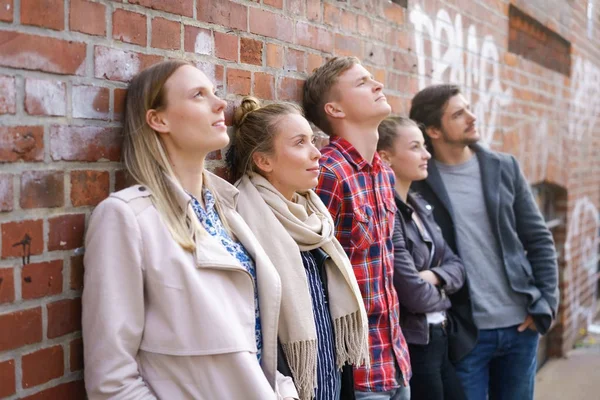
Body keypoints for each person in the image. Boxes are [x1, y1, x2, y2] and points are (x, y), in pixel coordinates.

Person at [82, 60, 298, 400]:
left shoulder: (228, 210)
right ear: (158, 119)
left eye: (214, 92)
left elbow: (255, 338)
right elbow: (112, 381)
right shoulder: (126, 218)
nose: (220, 104)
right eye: (198, 94)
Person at [409, 84, 559, 400]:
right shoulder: (419, 182)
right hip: (465, 334)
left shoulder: (503, 167)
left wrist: (546, 301)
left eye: (469, 109)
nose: (472, 117)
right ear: (434, 130)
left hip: (520, 325)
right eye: (459, 114)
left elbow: (539, 238)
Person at [226, 96, 370, 400]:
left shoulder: (314, 216)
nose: (316, 153)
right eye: (300, 143)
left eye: (313, 141)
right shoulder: (240, 223)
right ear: (264, 161)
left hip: (328, 382)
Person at [303, 56, 412, 400]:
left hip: (395, 359)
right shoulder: (328, 173)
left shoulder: (383, 170)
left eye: (372, 78)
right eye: (362, 83)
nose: (378, 85)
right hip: (356, 368)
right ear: (335, 109)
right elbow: (313, 277)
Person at [377, 117, 466, 400]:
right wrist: (446, 292)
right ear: (385, 158)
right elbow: (413, 294)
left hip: (441, 336)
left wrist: (434, 276)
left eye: (424, 146)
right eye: (415, 147)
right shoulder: (388, 213)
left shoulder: (419, 205)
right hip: (415, 344)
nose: (426, 154)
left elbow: (458, 266)